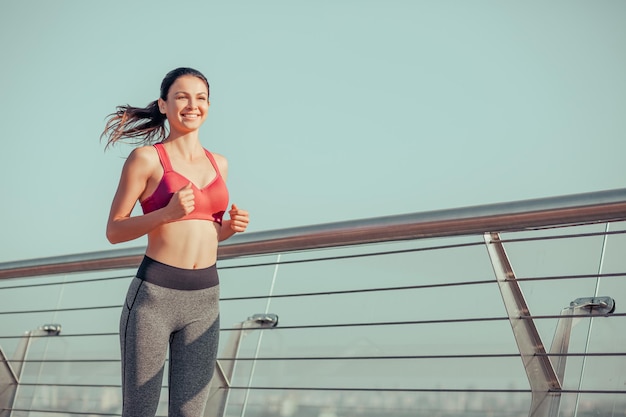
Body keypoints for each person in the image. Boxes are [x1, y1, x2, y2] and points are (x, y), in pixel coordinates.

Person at [100, 67, 249, 417]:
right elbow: (114, 230)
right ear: (163, 105)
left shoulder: (220, 163)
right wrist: (165, 214)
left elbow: (205, 232)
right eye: (181, 96)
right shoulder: (147, 159)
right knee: (140, 411)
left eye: (200, 98)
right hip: (154, 298)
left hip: (205, 299)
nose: (191, 105)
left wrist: (229, 227)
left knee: (190, 413)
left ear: (209, 106)